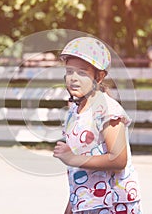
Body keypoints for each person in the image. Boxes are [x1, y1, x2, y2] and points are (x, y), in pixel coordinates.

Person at [53, 37, 142, 214]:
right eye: (70, 71)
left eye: (83, 72)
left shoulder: (107, 109)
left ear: (99, 77)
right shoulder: (73, 113)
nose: (74, 78)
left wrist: (73, 158)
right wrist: (71, 207)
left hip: (114, 204)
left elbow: (119, 159)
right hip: (88, 204)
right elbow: (79, 172)